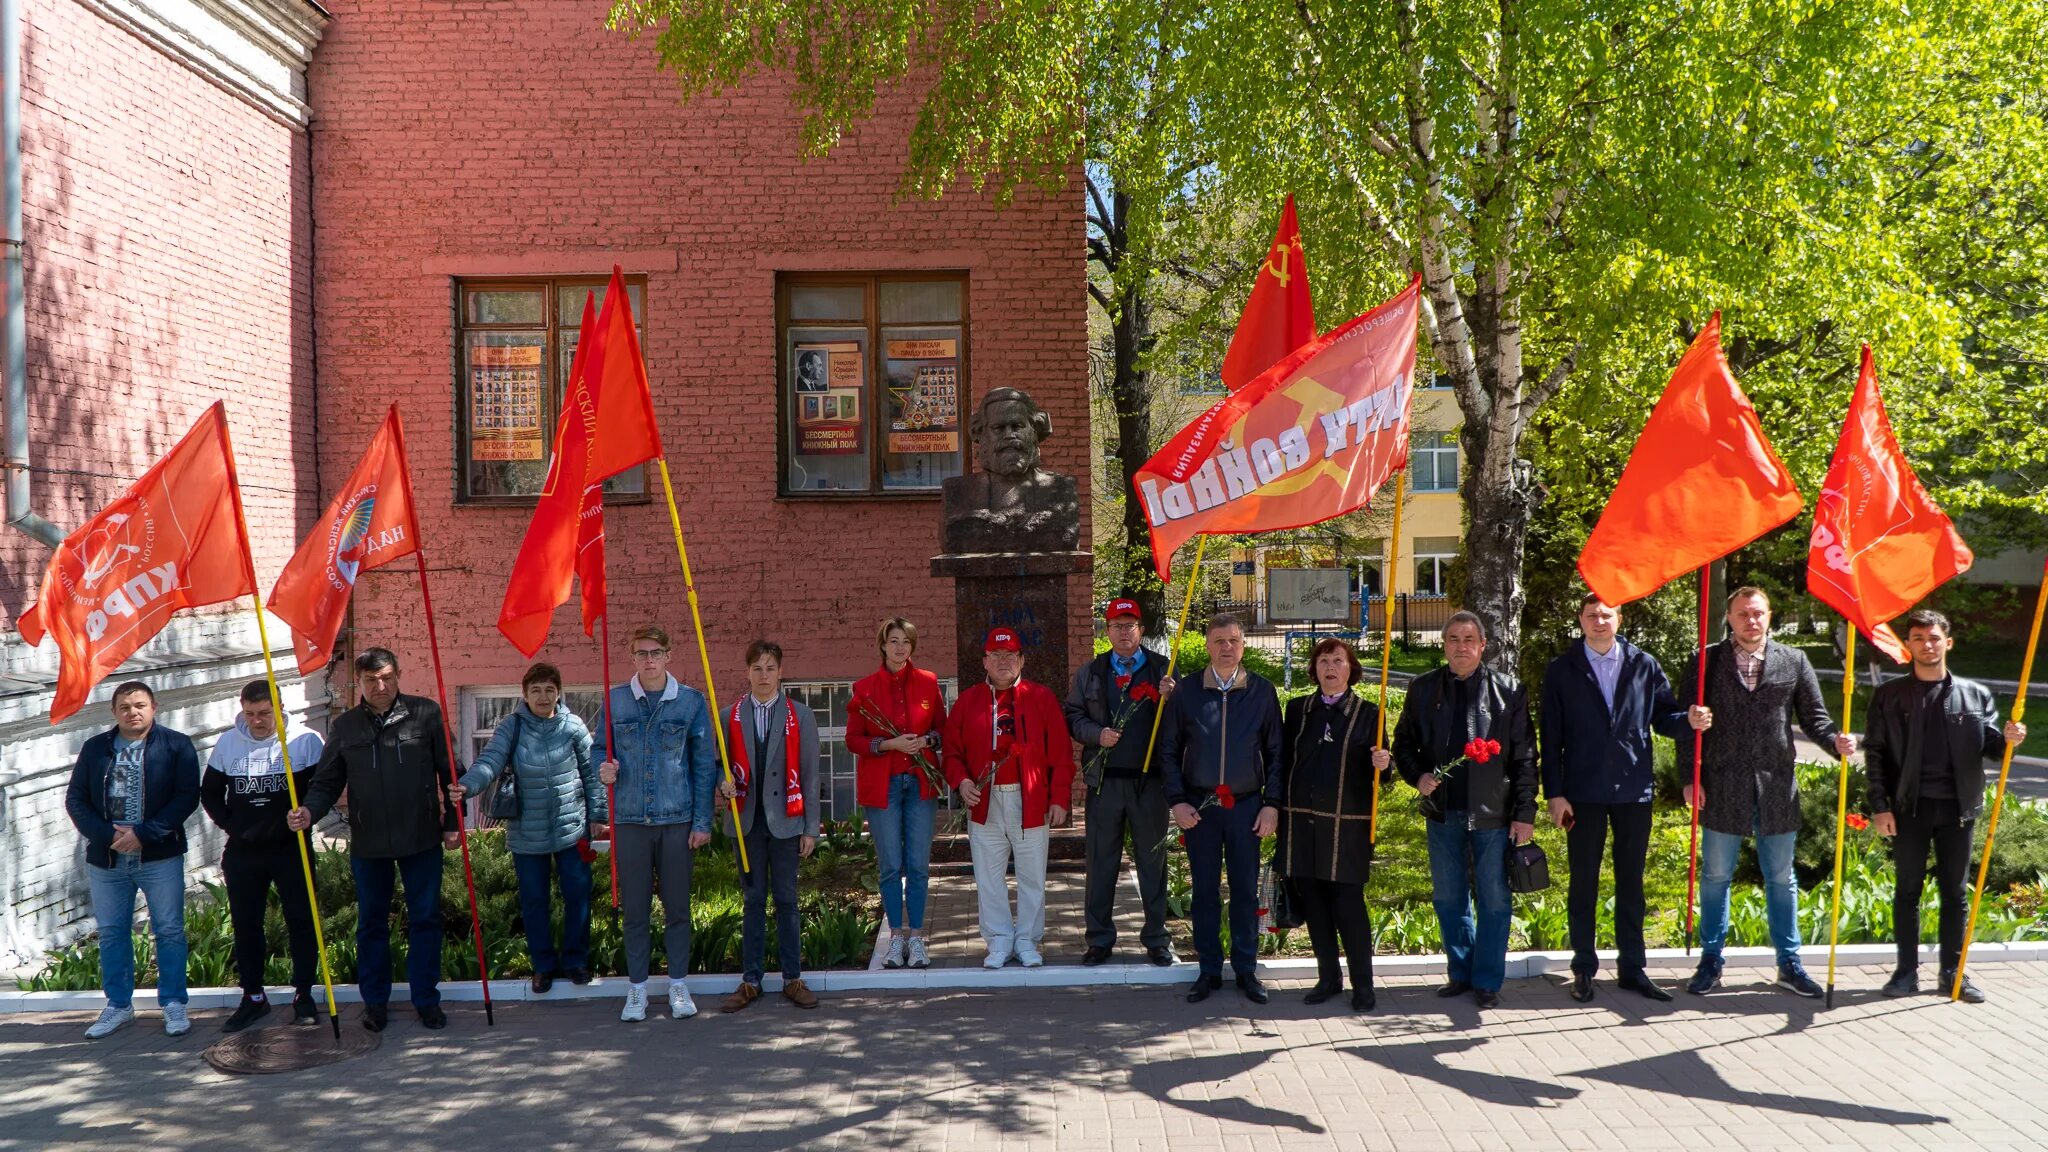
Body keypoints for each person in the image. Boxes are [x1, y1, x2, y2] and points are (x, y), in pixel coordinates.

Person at [1680, 587, 1854, 998]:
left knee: (1780, 877)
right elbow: (1685, 724)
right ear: (1729, 618)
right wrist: (1689, 777)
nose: (1751, 621)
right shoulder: (1705, 661)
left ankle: (1789, 963)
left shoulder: (1793, 660)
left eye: (1757, 613)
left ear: (1769, 616)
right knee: (1715, 875)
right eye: (1742, 614)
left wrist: (1835, 742)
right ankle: (1711, 960)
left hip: (1776, 786)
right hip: (1722, 785)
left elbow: (1815, 719)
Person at [288, 649, 460, 1031]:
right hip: (369, 843)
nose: (380, 687)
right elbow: (327, 782)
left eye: (386, 678)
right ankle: (375, 1003)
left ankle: (426, 1000)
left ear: (398, 674)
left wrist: (453, 824)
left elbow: (452, 775)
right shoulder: (346, 726)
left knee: (426, 920)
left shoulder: (425, 714)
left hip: (421, 837)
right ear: (361, 682)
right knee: (371, 924)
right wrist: (308, 812)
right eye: (370, 681)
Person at [1863, 608, 2027, 1003]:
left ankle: (1953, 973)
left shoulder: (1975, 695)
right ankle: (1905, 973)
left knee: (1955, 893)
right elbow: (1876, 754)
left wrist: (2011, 739)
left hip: (1958, 809)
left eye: (1934, 638)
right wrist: (1880, 806)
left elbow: (1991, 748)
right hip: (1908, 808)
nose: (1927, 645)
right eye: (1918, 638)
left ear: (1947, 642)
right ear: (1909, 645)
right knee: (1907, 891)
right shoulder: (1890, 695)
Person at [1540, 594, 1689, 1003]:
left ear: (1619, 618)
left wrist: (1689, 721)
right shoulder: (1562, 670)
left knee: (1631, 883)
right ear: (1581, 620)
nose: (1599, 621)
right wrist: (1554, 793)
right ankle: (1584, 968)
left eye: (1606, 614)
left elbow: (1665, 717)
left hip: (1633, 791)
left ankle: (1632, 968)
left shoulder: (1644, 664)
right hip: (1582, 794)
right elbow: (1550, 738)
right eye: (1591, 615)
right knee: (1583, 881)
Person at [1393, 611, 1538, 1011]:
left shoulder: (1509, 691)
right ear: (1444, 645)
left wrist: (1525, 812)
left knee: (1494, 899)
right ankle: (1461, 972)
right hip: (1443, 813)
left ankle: (1487, 979)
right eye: (1453, 639)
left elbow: (1525, 757)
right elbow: (1403, 743)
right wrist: (1417, 775)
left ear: (1482, 645)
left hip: (1493, 814)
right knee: (1449, 897)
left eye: (1468, 639)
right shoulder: (1423, 689)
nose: (1461, 646)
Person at [450, 662, 605, 995]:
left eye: (550, 689)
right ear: (525, 694)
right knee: (535, 902)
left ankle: (576, 962)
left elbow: (592, 774)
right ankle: (544, 966)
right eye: (536, 690)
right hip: (526, 833)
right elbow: (489, 762)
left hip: (572, 829)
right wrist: (466, 786)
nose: (543, 696)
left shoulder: (573, 726)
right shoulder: (512, 726)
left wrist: (599, 815)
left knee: (577, 896)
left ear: (559, 692)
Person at [1159, 613, 1283, 1005]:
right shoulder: (1187, 692)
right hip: (1201, 808)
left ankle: (1246, 969)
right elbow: (1168, 751)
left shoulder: (1262, 692)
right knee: (1205, 893)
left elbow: (1278, 755)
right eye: (1218, 641)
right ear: (1207, 645)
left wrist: (1272, 805)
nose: (1226, 647)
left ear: (1244, 645)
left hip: (1247, 806)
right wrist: (1177, 801)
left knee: (1246, 891)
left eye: (1233, 640)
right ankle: (1209, 970)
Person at [597, 625, 718, 1022]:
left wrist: (702, 821)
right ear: (632, 658)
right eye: (641, 653)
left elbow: (704, 765)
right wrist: (604, 769)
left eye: (655, 653)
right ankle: (637, 990)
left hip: (677, 820)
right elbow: (599, 748)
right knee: (635, 911)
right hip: (630, 820)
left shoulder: (690, 702)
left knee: (678, 908)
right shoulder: (615, 701)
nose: (648, 660)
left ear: (669, 655)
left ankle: (678, 984)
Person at [66, 681, 199, 1039]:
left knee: (169, 930)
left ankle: (173, 1004)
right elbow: (76, 800)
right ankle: (119, 1006)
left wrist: (144, 834)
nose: (132, 712)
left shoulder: (176, 745)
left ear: (154, 707)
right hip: (107, 860)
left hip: (159, 855)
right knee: (111, 932)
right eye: (124, 707)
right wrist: (109, 836)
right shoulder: (96, 748)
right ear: (114, 712)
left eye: (139, 705)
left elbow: (186, 797)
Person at [944, 626, 1075, 969]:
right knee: (989, 877)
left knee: (1032, 875)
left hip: (1029, 801)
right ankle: (999, 941)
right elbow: (951, 753)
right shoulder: (968, 701)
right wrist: (960, 782)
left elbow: (1061, 753)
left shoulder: (1041, 698)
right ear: (985, 661)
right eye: (996, 655)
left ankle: (1029, 940)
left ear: (1021, 660)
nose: (1003, 661)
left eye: (1010, 655)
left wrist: (1059, 797)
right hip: (984, 804)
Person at [202, 679, 326, 1032]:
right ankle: (253, 997)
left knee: (301, 921)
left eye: (265, 713)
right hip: (244, 851)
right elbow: (209, 793)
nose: (258, 721)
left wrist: (307, 812)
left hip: (291, 848)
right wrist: (233, 826)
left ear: (280, 708)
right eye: (251, 713)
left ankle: (304, 994)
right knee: (246, 925)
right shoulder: (228, 743)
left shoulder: (304, 741)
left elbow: (323, 787)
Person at [1065, 597, 1178, 967]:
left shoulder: (1164, 671)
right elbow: (1073, 715)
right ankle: (1099, 939)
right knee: (1101, 863)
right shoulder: (1092, 672)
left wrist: (1173, 698)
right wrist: (1097, 734)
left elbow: (1183, 721)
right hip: (1105, 784)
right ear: (1107, 630)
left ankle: (1157, 939)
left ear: (1141, 630)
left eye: (1131, 625)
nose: (1124, 632)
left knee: (1152, 863)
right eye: (1117, 625)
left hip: (1150, 785)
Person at [1277, 638, 1386, 1012]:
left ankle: (1364, 984)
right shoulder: (1297, 710)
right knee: (1316, 906)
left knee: (1349, 905)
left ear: (1350, 668)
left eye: (1338, 660)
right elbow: (1281, 761)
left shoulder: (1371, 714)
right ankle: (1328, 978)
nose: (1330, 667)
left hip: (1347, 826)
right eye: (1323, 660)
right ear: (1315, 668)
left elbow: (1382, 779)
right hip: (1301, 822)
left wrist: (1383, 765)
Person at [719, 641, 823, 1013]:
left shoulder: (801, 716)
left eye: (770, 668)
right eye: (757, 668)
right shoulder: (728, 715)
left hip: (787, 821)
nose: (764, 675)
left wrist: (811, 827)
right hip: (746, 821)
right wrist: (722, 781)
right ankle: (751, 981)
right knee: (752, 900)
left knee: (787, 900)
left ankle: (792, 977)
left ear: (781, 672)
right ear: (747, 673)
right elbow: (718, 762)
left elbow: (810, 774)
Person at [845, 617, 947, 970]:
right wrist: (888, 743)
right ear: (883, 645)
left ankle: (916, 938)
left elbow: (942, 730)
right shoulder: (865, 688)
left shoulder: (928, 683)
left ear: (912, 646)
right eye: (893, 640)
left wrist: (927, 741)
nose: (900, 647)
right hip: (883, 785)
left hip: (920, 782)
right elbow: (852, 739)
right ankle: (895, 939)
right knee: (890, 866)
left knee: (918, 865)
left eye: (905, 641)